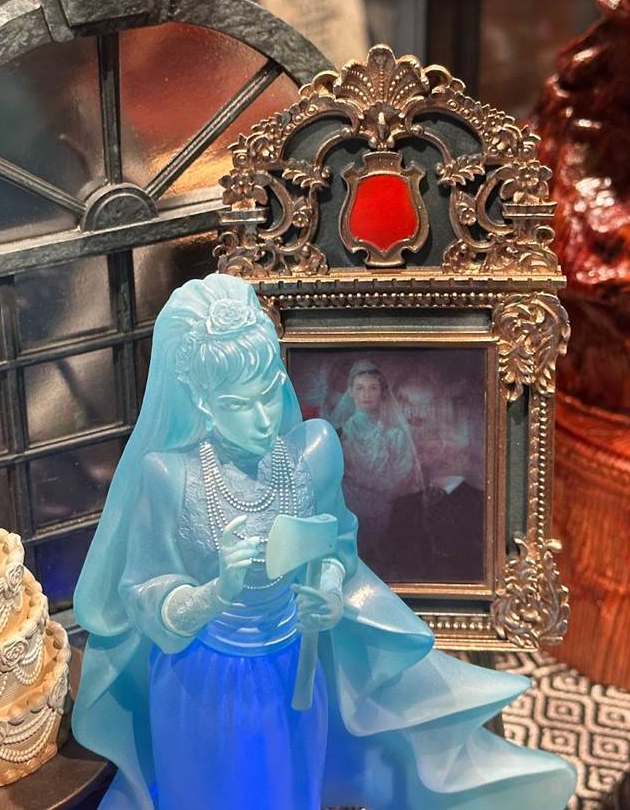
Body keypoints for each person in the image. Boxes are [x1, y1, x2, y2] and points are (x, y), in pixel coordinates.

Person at [72, 273, 575, 809]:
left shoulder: (312, 453)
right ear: (202, 401)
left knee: (288, 788)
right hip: (203, 680)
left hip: (293, 667)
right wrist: (215, 593)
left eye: (270, 392)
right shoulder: (170, 476)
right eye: (240, 405)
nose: (264, 418)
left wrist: (330, 593)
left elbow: (337, 545)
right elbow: (143, 589)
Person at [330, 359, 425, 569]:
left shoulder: (395, 436)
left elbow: (403, 475)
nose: (366, 394)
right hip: (348, 513)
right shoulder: (339, 435)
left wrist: (375, 488)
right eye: (360, 388)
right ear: (351, 392)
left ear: (382, 392)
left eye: (373, 388)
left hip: (387, 512)